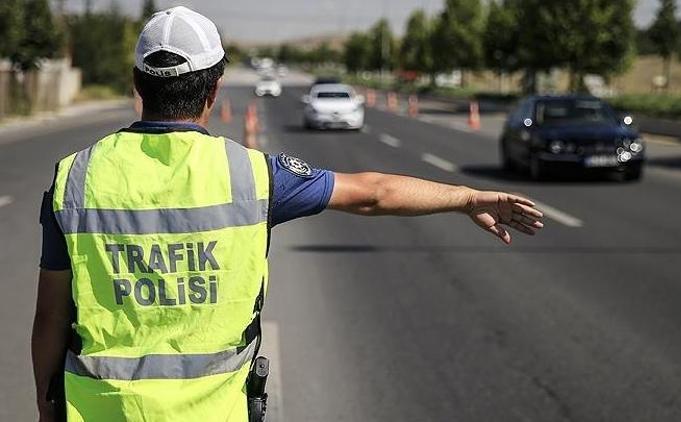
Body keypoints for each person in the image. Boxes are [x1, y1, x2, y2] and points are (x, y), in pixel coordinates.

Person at [32, 7, 543, 422]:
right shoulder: (254, 174)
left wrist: (47, 402)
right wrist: (469, 198)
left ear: (138, 84)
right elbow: (375, 192)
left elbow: (51, 317)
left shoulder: (74, 178)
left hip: (95, 412)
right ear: (214, 88)